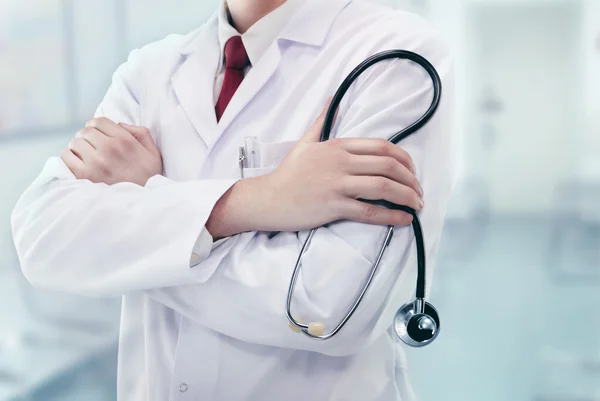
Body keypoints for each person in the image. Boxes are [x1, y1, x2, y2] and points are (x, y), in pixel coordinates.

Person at [11, 0, 455, 399]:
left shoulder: (396, 57)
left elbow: (325, 310)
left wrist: (146, 225)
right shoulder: (147, 73)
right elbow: (43, 236)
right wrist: (258, 199)